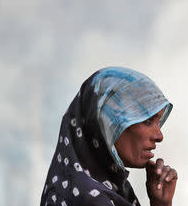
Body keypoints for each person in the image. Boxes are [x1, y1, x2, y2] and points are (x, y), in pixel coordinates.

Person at [40, 67, 178, 206]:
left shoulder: (88, 187)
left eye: (158, 122)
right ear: (106, 122)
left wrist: (160, 203)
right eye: (147, 121)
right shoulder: (92, 199)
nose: (159, 136)